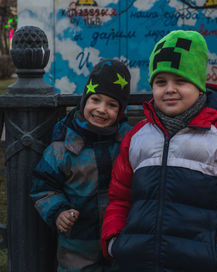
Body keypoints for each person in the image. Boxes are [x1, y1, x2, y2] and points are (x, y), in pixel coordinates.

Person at [100, 30, 217, 272]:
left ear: (199, 85)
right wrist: (115, 243)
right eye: (161, 82)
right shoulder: (137, 137)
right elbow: (119, 199)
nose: (170, 89)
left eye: (181, 81)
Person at [30, 59, 132, 272]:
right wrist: (58, 211)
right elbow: (43, 188)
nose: (102, 109)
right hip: (77, 245)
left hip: (120, 239)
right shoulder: (62, 149)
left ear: (121, 111)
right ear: (84, 100)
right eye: (95, 99)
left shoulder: (128, 143)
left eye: (112, 105)